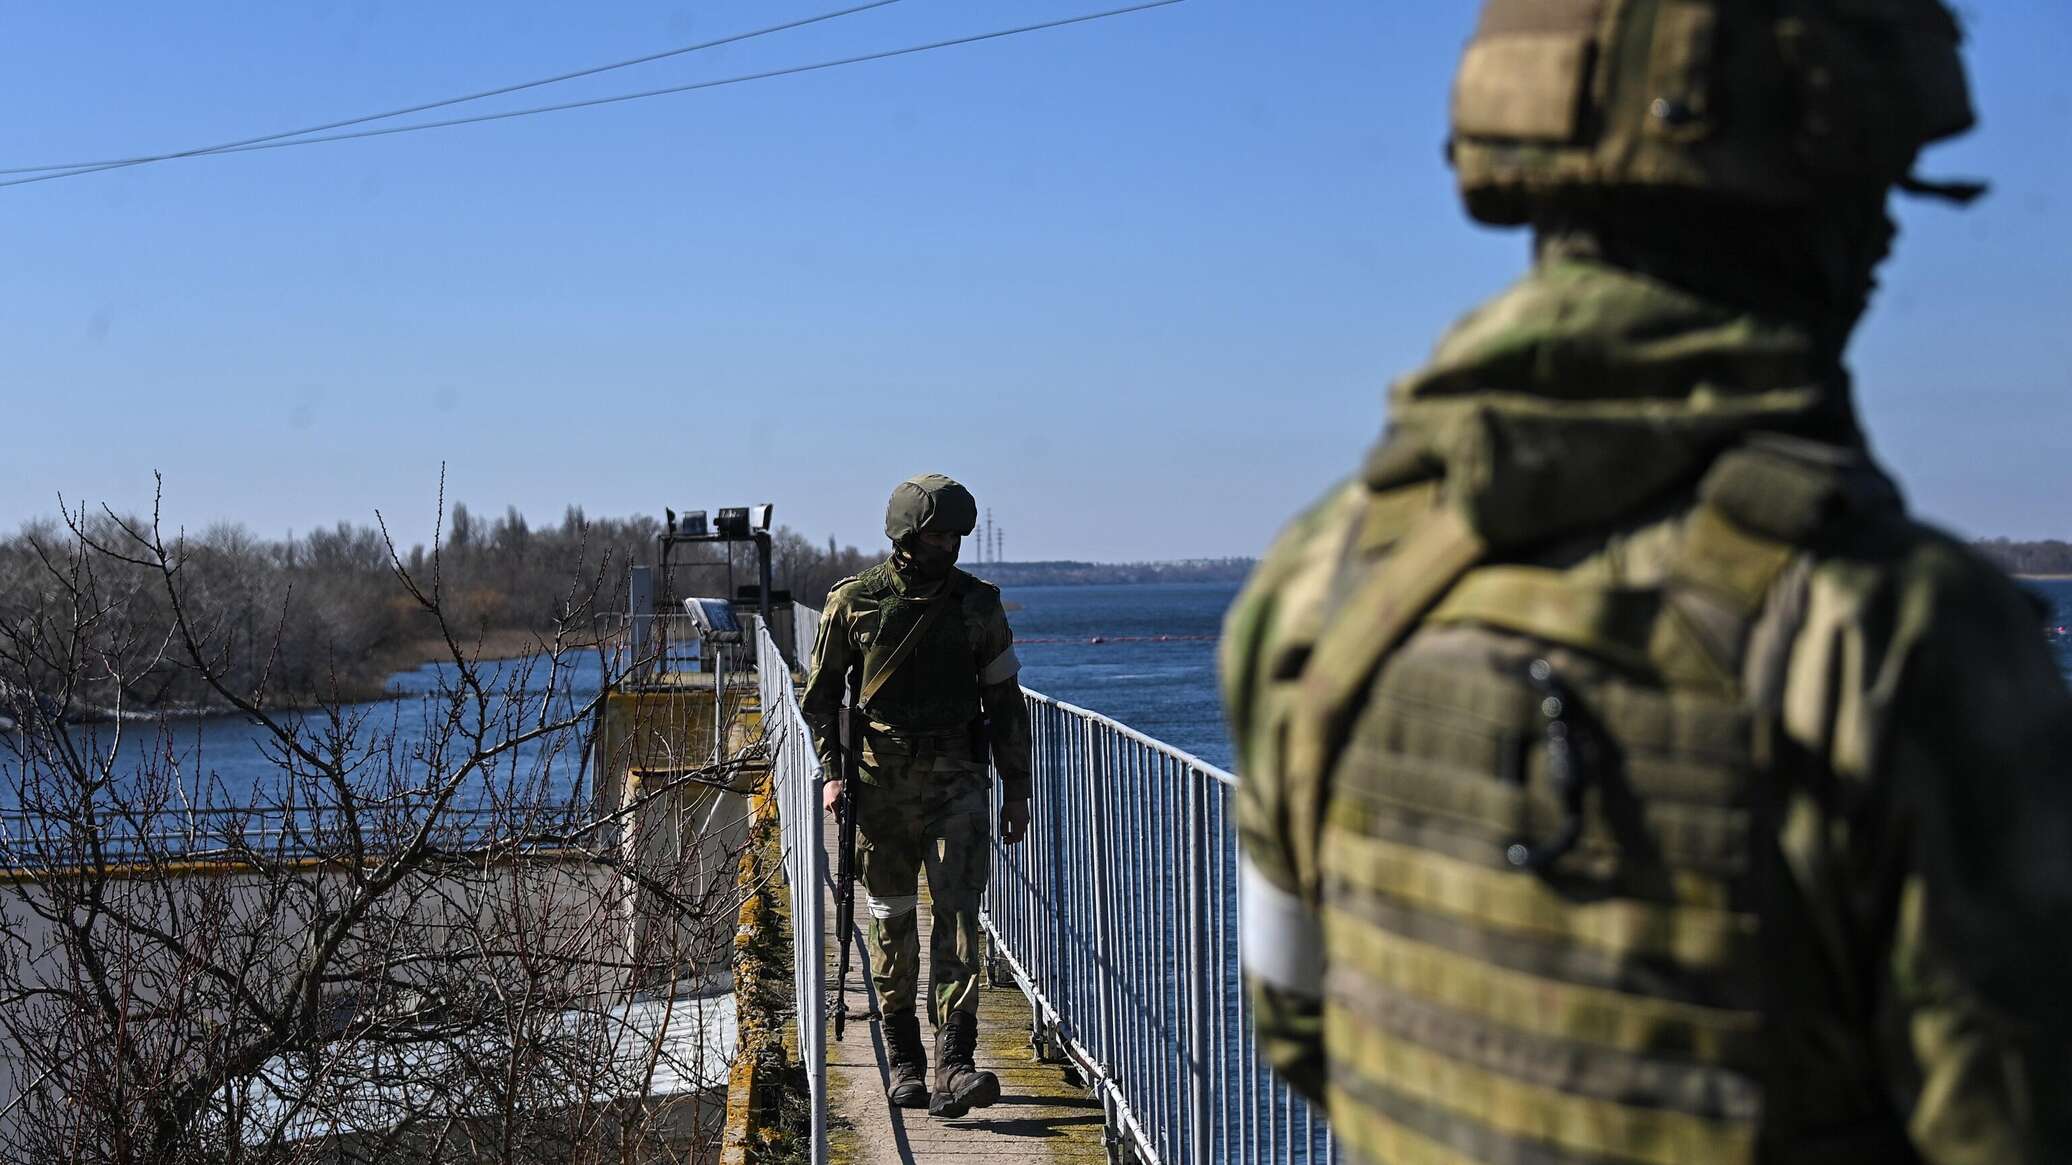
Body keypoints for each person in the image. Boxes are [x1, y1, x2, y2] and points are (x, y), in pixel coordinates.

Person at [1222, 3, 2072, 1162]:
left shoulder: (1324, 573)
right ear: (1818, 203)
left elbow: (1293, 1019)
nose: (1880, 248)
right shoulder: (1888, 628)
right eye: (1874, 194)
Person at [803, 473, 1032, 1118]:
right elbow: (821, 703)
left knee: (960, 920)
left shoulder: (979, 607)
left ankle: (955, 1064)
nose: (950, 545)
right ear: (906, 533)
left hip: (959, 779)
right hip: (881, 787)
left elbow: (1006, 704)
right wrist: (832, 774)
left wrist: (1017, 790)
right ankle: (904, 1060)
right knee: (892, 918)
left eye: (958, 534)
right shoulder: (856, 605)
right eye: (938, 533)